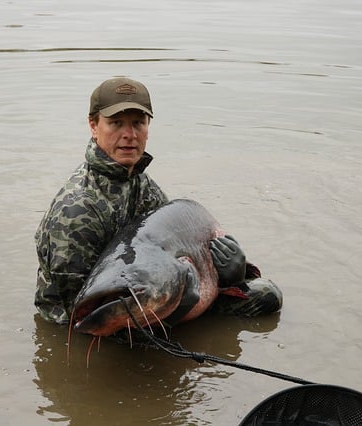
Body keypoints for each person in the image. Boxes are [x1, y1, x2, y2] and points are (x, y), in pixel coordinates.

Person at [34, 77, 282, 326]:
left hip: (148, 297)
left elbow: (166, 256)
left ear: (148, 127)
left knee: (265, 296)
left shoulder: (142, 185)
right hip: (93, 322)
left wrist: (233, 273)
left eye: (138, 123)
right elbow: (77, 316)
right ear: (93, 126)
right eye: (116, 123)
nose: (129, 135)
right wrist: (175, 311)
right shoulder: (76, 209)